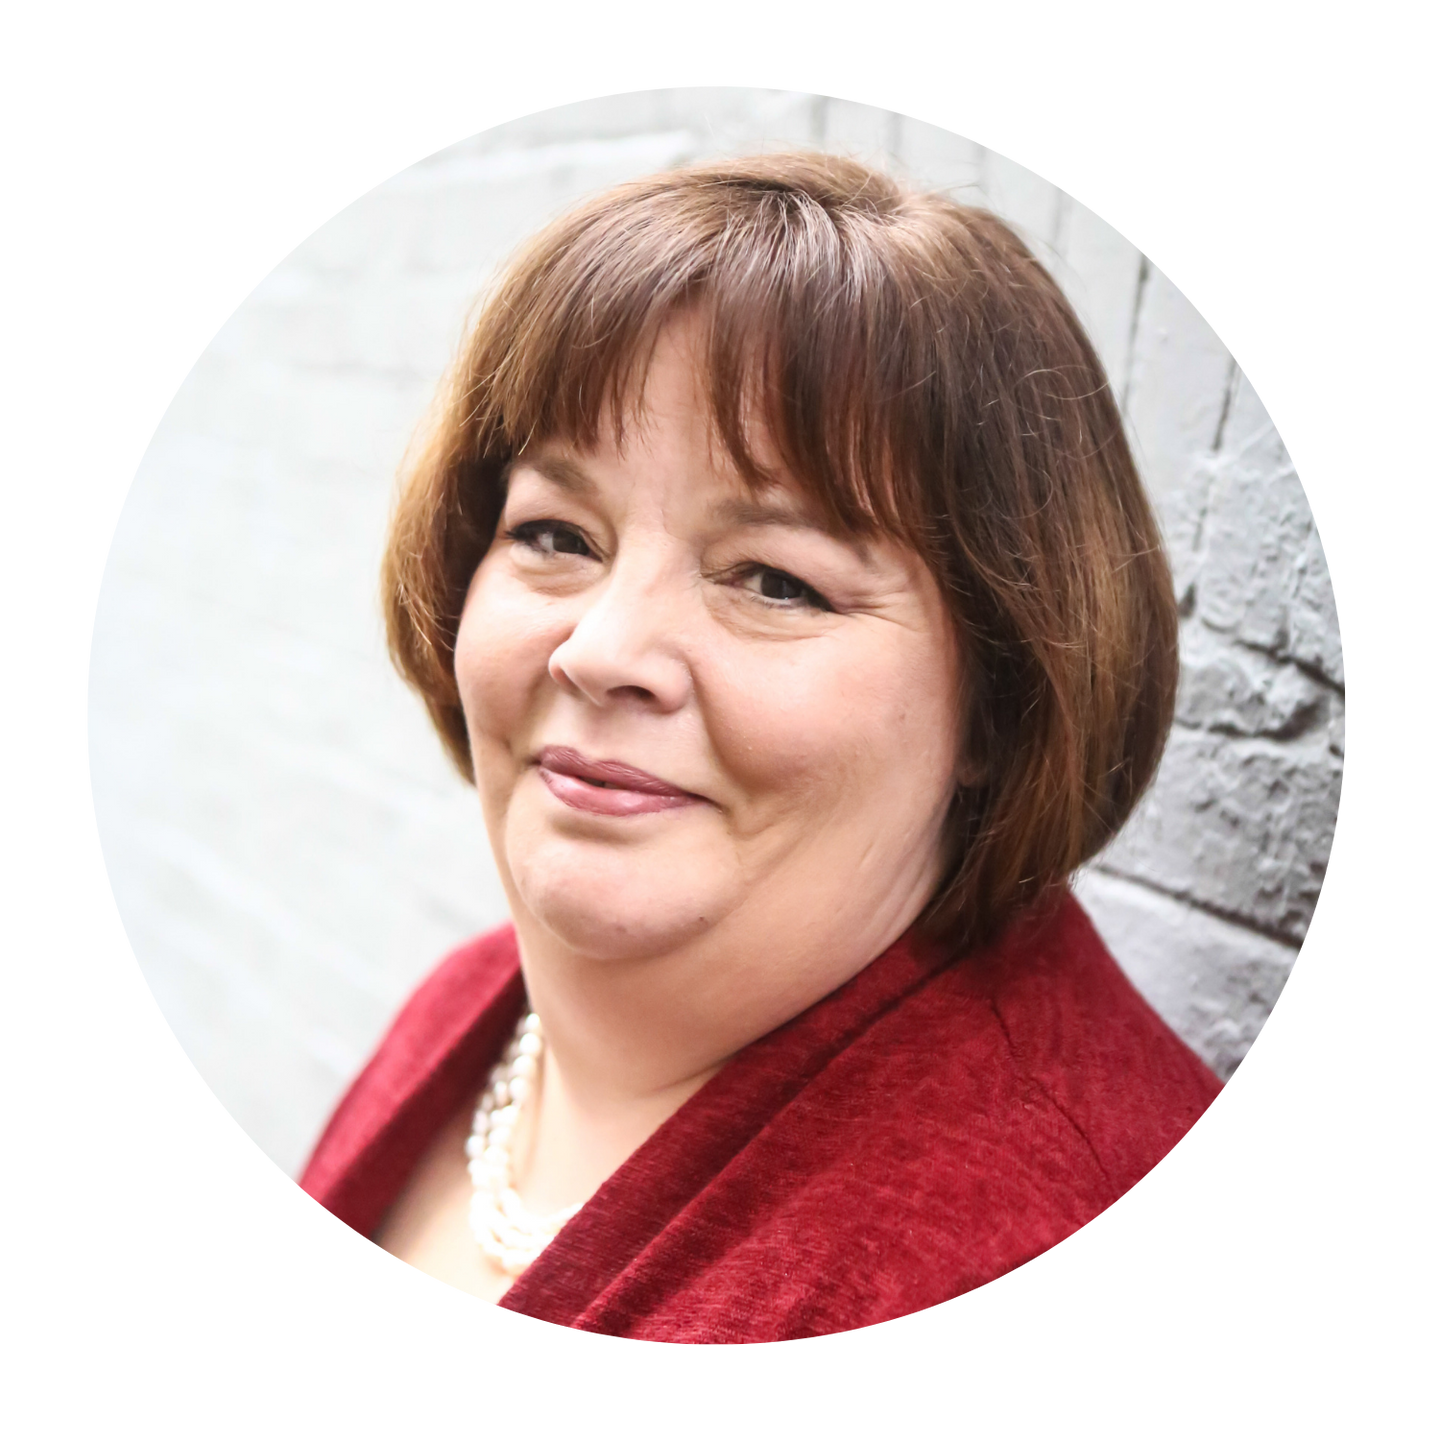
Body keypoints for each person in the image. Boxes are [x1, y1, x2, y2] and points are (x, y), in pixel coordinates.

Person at [299, 151, 1224, 1342]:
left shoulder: (1040, 1224)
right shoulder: (473, 1006)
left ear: (997, 702)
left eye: (776, 581)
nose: (601, 651)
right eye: (557, 534)